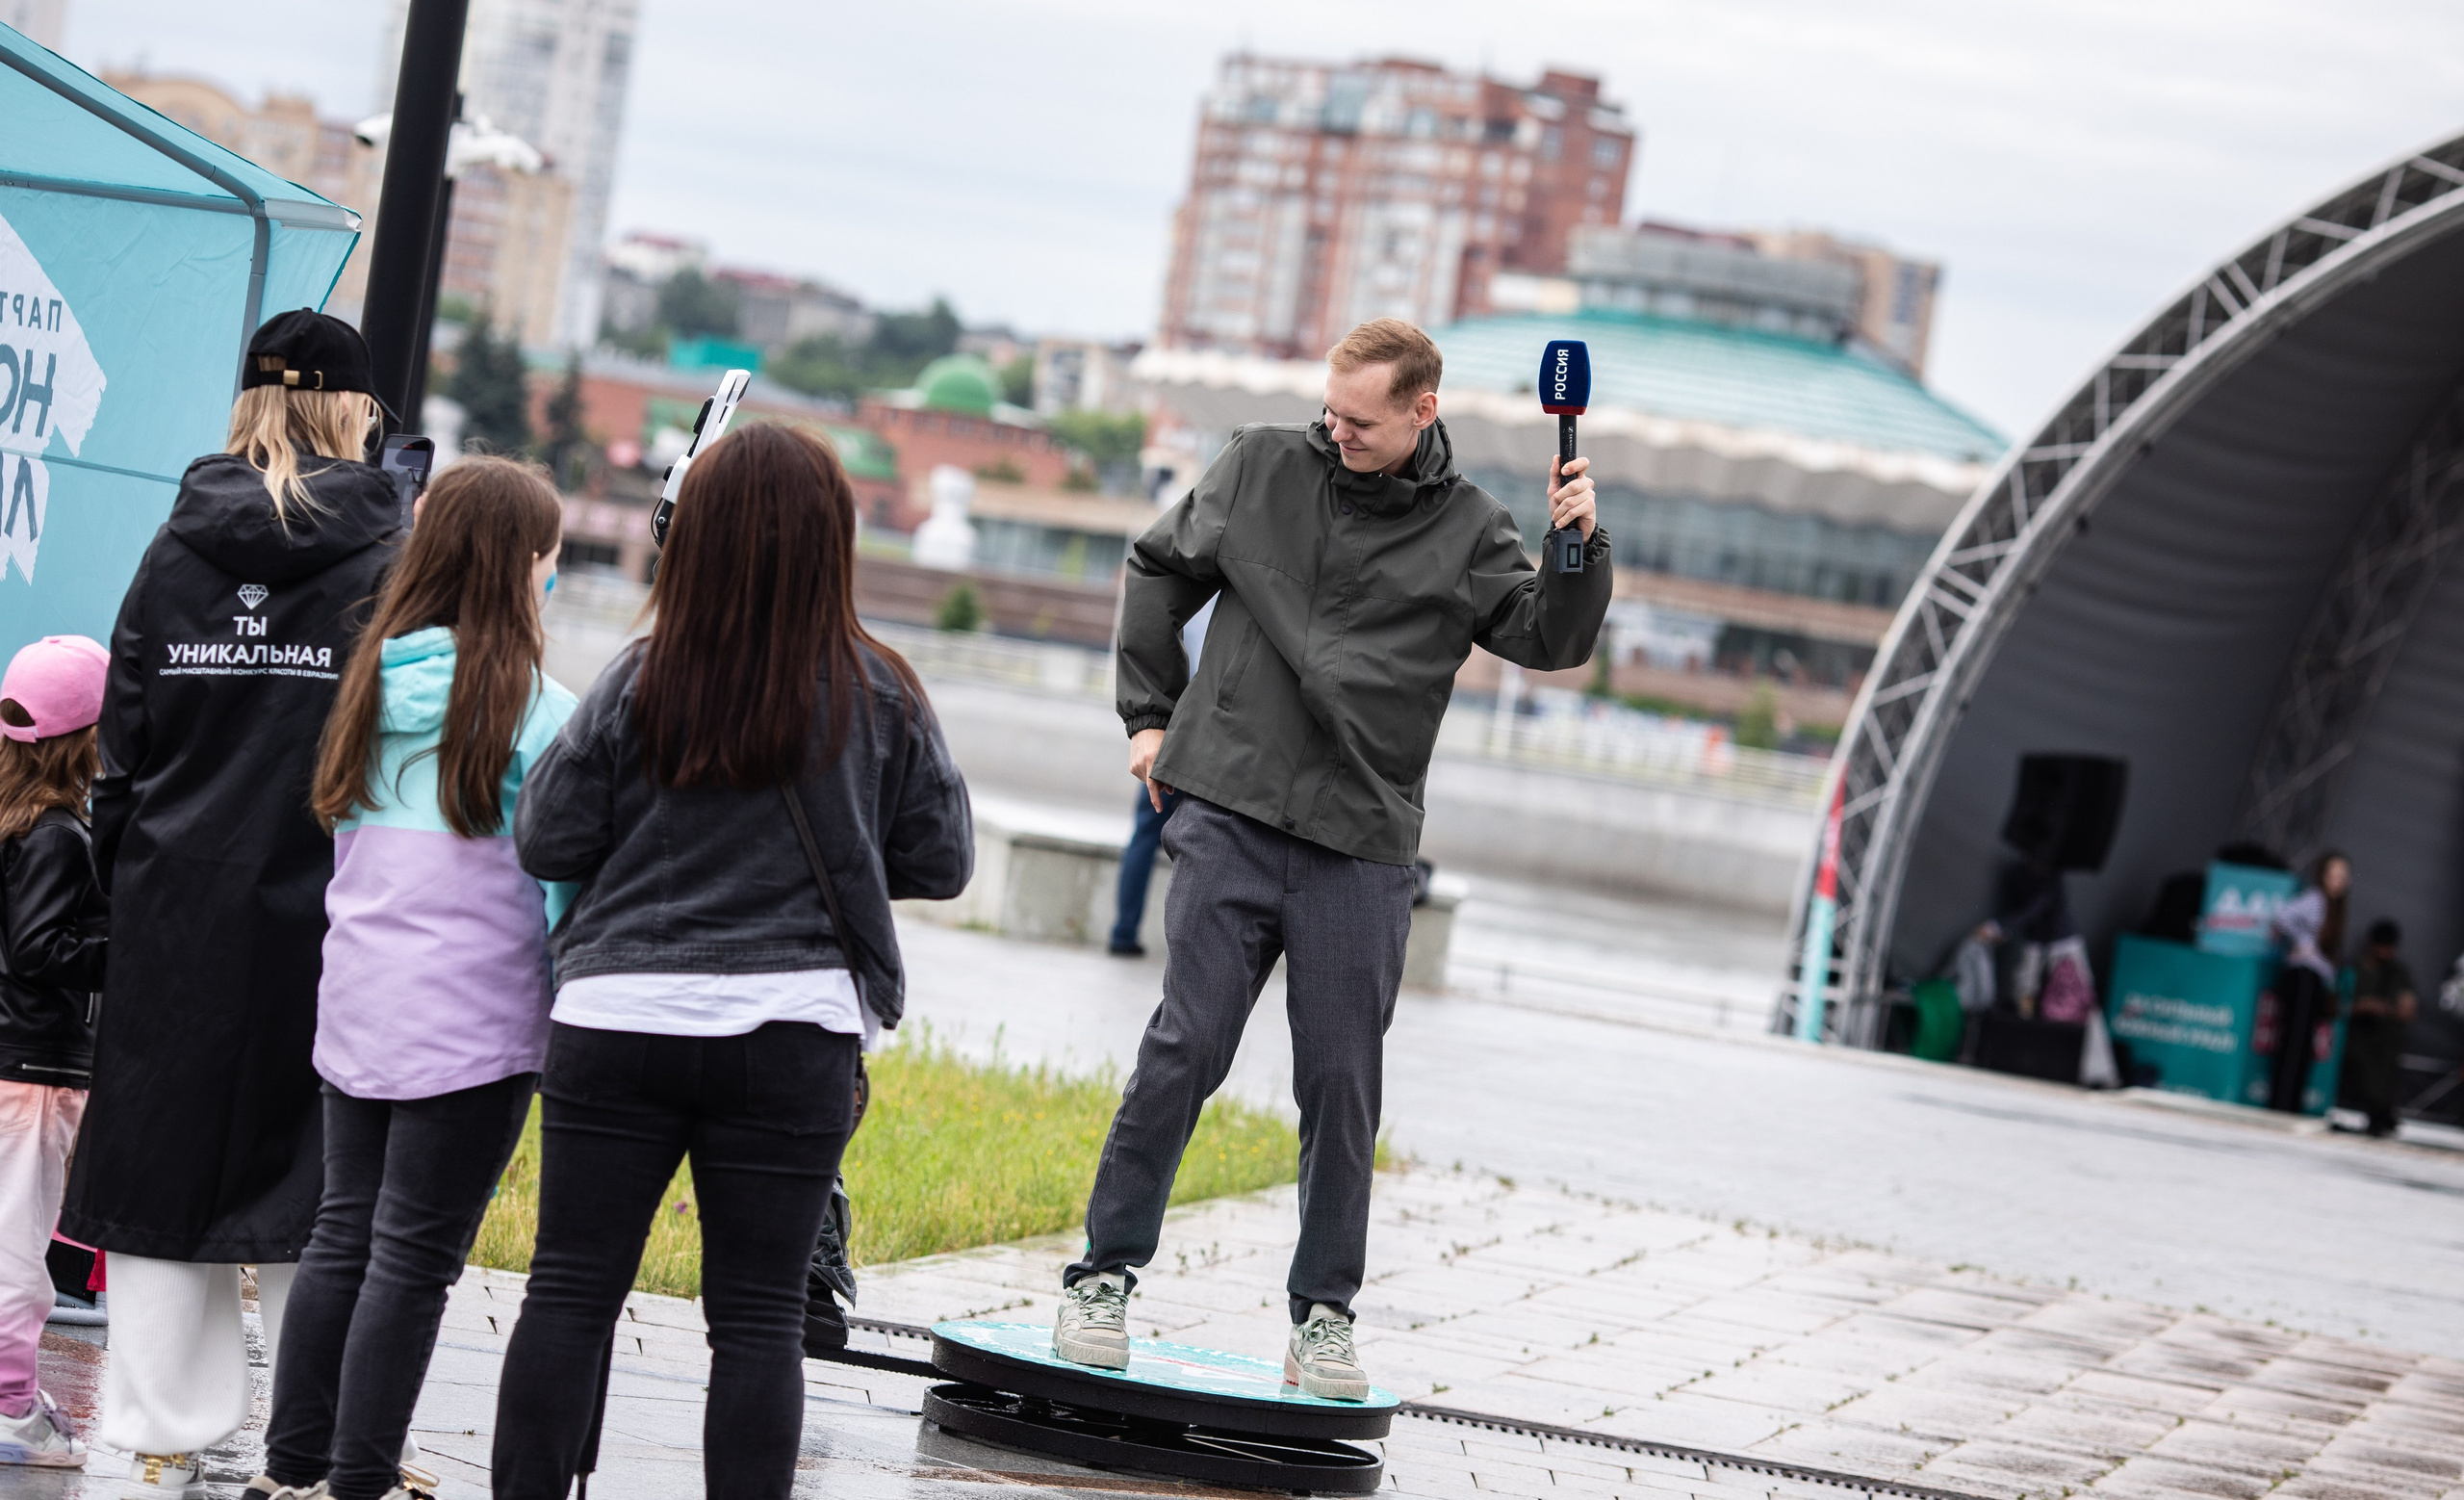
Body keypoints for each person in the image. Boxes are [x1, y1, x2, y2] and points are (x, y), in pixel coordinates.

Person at [1053, 319, 1609, 1398]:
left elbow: (1553, 638)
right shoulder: (1261, 465)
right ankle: (1101, 1278)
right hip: (1232, 810)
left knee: (1342, 1084)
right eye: (1329, 410)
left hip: (1361, 843)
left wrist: (1577, 545)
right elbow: (1158, 567)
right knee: (1184, 1047)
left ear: (1422, 411)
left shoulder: (1472, 530)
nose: (1335, 430)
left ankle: (1323, 1317)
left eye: (1359, 420)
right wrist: (1147, 716)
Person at [493, 423, 972, 1500]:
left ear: (694, 537)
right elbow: (939, 861)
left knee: (568, 1290)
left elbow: (549, 837)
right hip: (792, 1033)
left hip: (618, 1018)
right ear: (832, 542)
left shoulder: (639, 678)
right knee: (757, 1317)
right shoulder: (882, 690)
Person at [57, 309, 402, 1493]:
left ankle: (155, 1431)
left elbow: (125, 743)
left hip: (174, 905)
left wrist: (129, 881)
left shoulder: (174, 547)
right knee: (327, 1175)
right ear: (353, 408)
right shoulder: (385, 558)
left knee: (167, 1163)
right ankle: (323, 1434)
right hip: (333, 907)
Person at [241, 458, 574, 1500]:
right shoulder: (539, 709)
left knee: (344, 1229)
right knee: (417, 1255)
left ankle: (294, 1469)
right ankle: (360, 1477)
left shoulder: (366, 684)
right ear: (520, 567)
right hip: (475, 1021)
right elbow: (564, 884)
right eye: (549, 554)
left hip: (360, 1003)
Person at [0, 635, 111, 1470]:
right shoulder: (57, 835)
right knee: (18, 1248)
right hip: (31, 1071)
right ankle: (9, 1410)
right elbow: (41, 949)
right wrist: (126, 946)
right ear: (87, 739)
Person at [1107, 598, 1214, 957]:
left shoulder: (1189, 590)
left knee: (1145, 833)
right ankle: (1191, 950)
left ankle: (1123, 931)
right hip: (1213, 734)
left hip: (1172, 729)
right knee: (1208, 840)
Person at [2268, 850, 2350, 1114]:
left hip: (2315, 978)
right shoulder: (2315, 899)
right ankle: (2282, 1103)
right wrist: (2302, 944)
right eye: (2333, 875)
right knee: (2295, 1041)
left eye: (2343, 876)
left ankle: (2290, 1102)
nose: (2338, 881)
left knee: (2304, 1043)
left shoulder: (2335, 907)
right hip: (2303, 975)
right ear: (2322, 876)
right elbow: (2282, 916)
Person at [2345, 918, 2416, 1137]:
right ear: (2370, 943)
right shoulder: (2353, 969)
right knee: (2362, 1055)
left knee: (2384, 1056)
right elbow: (2334, 1006)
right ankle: (2377, 1111)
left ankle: (2382, 1113)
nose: (2385, 953)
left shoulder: (2398, 973)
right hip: (2356, 1034)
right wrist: (2362, 1006)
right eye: (2381, 946)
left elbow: (2408, 1010)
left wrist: (2388, 1009)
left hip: (2385, 1037)